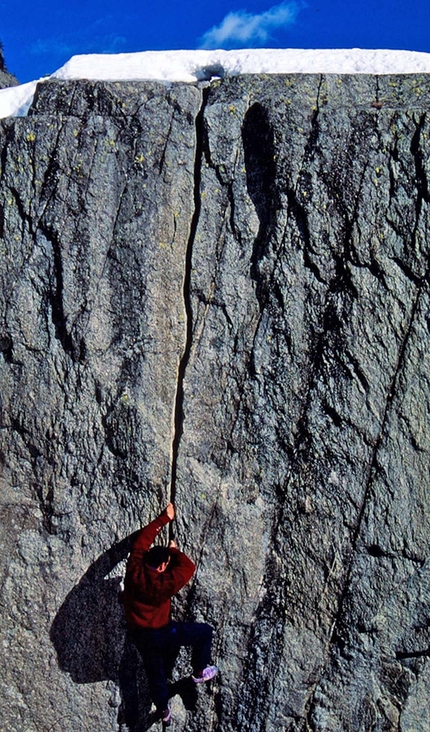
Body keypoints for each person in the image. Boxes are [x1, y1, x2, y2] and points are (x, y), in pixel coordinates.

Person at [123, 502, 218, 725]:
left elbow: (140, 543)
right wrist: (174, 552)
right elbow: (188, 567)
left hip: (140, 635)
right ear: (164, 566)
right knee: (204, 633)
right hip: (161, 633)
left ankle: (164, 710)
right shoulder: (163, 584)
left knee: (155, 673)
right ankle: (199, 671)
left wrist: (163, 519)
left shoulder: (134, 568)